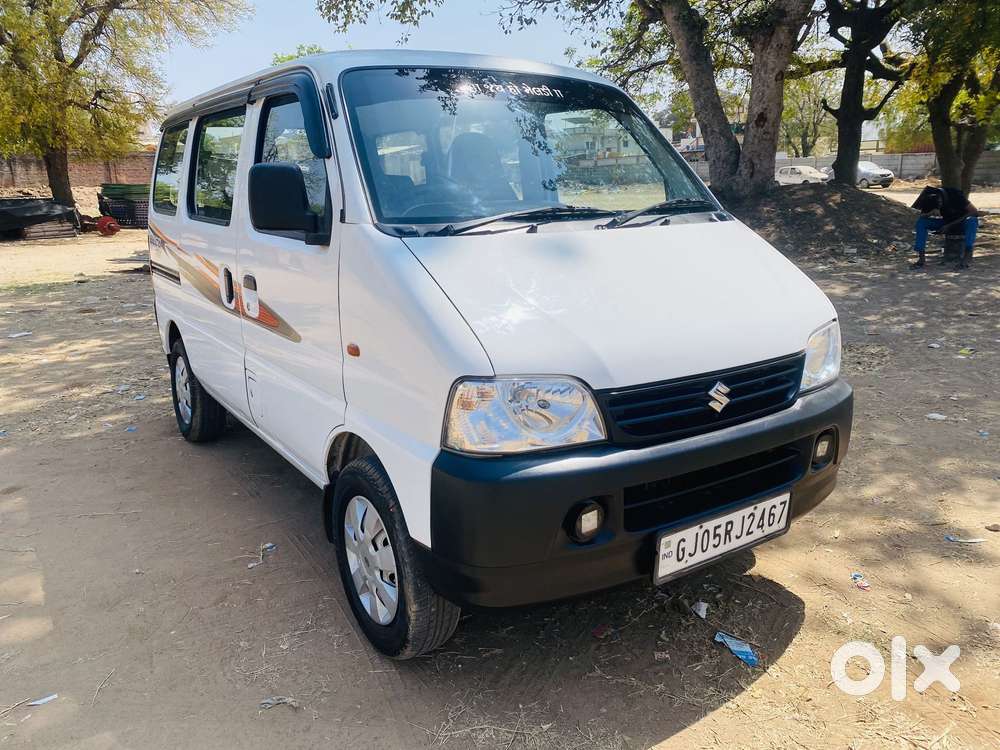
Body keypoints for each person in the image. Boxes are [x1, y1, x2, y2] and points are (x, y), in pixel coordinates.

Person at [910, 186, 980, 269]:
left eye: (939, 202)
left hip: (962, 223)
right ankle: (921, 259)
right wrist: (930, 213)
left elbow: (974, 211)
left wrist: (949, 225)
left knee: (972, 221)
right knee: (922, 222)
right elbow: (921, 215)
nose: (939, 204)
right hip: (946, 222)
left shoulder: (955, 195)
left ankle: (965, 259)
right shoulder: (930, 199)